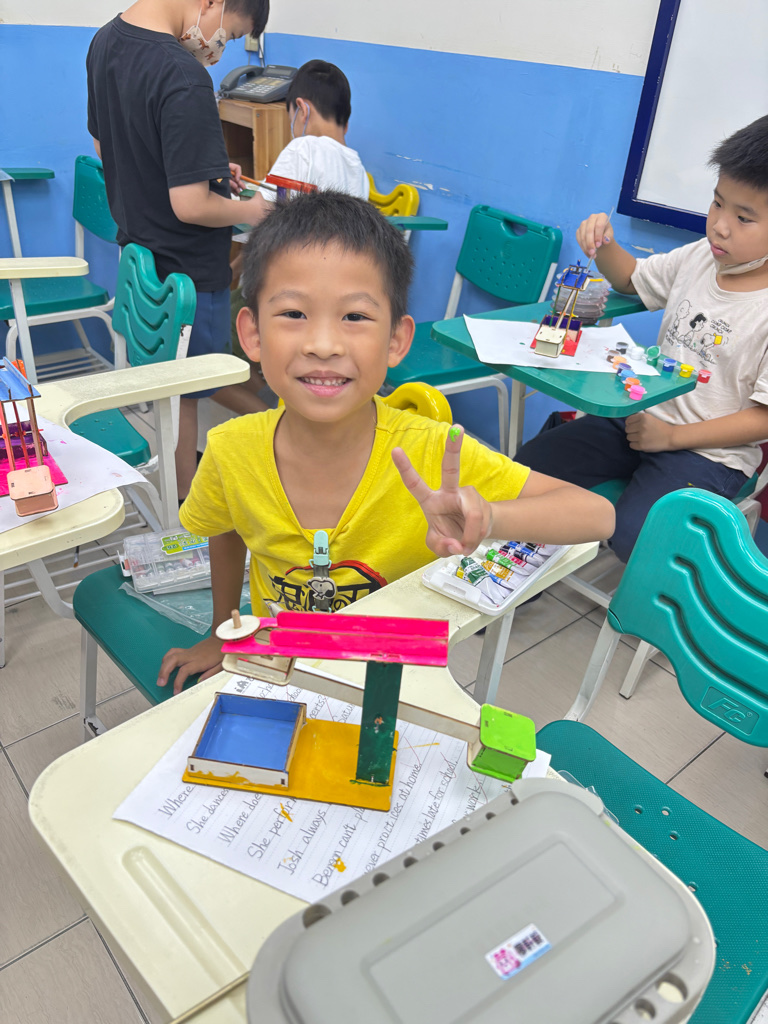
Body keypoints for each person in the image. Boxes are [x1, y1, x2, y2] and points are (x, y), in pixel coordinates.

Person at [157, 192, 614, 693]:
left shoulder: (430, 453)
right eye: (293, 313)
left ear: (396, 340)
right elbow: (225, 530)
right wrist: (221, 629)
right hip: (283, 660)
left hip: (392, 673)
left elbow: (598, 516)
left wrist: (491, 518)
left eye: (355, 317)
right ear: (252, 334)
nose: (323, 345)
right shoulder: (230, 449)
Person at [515, 115, 768, 562]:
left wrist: (671, 437)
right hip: (638, 421)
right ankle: (509, 579)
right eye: (717, 204)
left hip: (709, 452)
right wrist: (604, 244)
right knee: (530, 467)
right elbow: (631, 279)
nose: (720, 226)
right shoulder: (700, 257)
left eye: (744, 218)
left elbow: (763, 419)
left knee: (638, 537)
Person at [86, 0, 272, 499]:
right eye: (229, 34)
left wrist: (198, 164)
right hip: (187, 271)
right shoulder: (184, 75)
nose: (218, 49)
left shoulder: (106, 40)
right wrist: (252, 211)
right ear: (211, 3)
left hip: (140, 256)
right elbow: (191, 205)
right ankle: (185, 511)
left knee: (173, 391)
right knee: (188, 392)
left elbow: (109, 146)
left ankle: (178, 496)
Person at [260, 59, 369, 201]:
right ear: (346, 126)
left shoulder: (303, 148)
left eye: (292, 120)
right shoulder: (358, 169)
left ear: (303, 110)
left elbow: (263, 208)